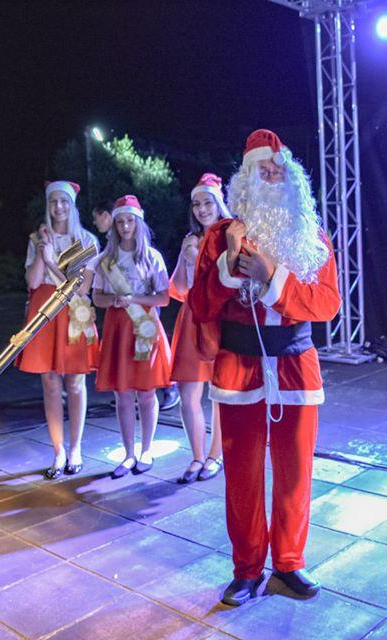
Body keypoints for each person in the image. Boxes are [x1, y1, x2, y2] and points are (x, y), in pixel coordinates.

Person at [189, 129, 341, 606]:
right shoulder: (220, 236)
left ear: (292, 180)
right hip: (239, 367)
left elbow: (327, 303)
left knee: (296, 472)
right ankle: (247, 569)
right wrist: (229, 267)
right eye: (263, 171)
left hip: (296, 364)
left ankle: (289, 563)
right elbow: (199, 305)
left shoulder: (312, 234)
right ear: (245, 180)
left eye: (280, 171)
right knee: (242, 475)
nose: (273, 178)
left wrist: (270, 276)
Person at [17, 180, 100, 479]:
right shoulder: (39, 239)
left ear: (72, 205)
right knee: (50, 383)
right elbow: (32, 282)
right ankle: (58, 451)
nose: (58, 207)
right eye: (53, 201)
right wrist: (43, 252)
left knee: (75, 383)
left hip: (72, 310)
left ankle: (75, 449)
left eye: (64, 201)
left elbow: (82, 288)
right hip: (45, 310)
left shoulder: (86, 240)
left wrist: (53, 263)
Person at [92, 195, 171, 479]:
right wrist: (114, 300)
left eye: (130, 221)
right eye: (120, 222)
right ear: (114, 225)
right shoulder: (106, 260)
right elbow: (97, 298)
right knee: (122, 393)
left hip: (144, 328)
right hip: (118, 329)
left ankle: (146, 450)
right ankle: (128, 454)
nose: (125, 227)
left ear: (139, 223)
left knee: (147, 392)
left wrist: (134, 298)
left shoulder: (152, 257)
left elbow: (164, 297)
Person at [169, 173, 232, 483]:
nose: (202, 209)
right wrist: (185, 257)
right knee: (188, 392)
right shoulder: (190, 240)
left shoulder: (229, 237)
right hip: (192, 318)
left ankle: (214, 455)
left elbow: (228, 284)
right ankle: (196, 456)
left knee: (219, 391)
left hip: (220, 319)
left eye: (208, 203)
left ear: (219, 203)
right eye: (196, 204)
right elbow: (180, 288)